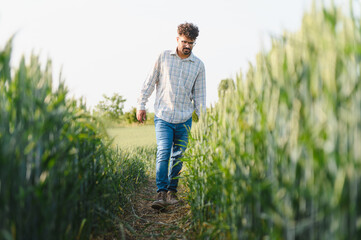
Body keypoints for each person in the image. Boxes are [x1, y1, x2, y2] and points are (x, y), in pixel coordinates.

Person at [136, 22, 206, 210]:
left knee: (179, 156)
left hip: (184, 118)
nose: (187, 46)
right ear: (177, 39)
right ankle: (161, 192)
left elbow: (199, 96)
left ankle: (172, 192)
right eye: (184, 41)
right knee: (164, 152)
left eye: (191, 43)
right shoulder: (163, 57)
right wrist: (141, 104)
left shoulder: (199, 66)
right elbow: (150, 81)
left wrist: (204, 119)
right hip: (163, 116)